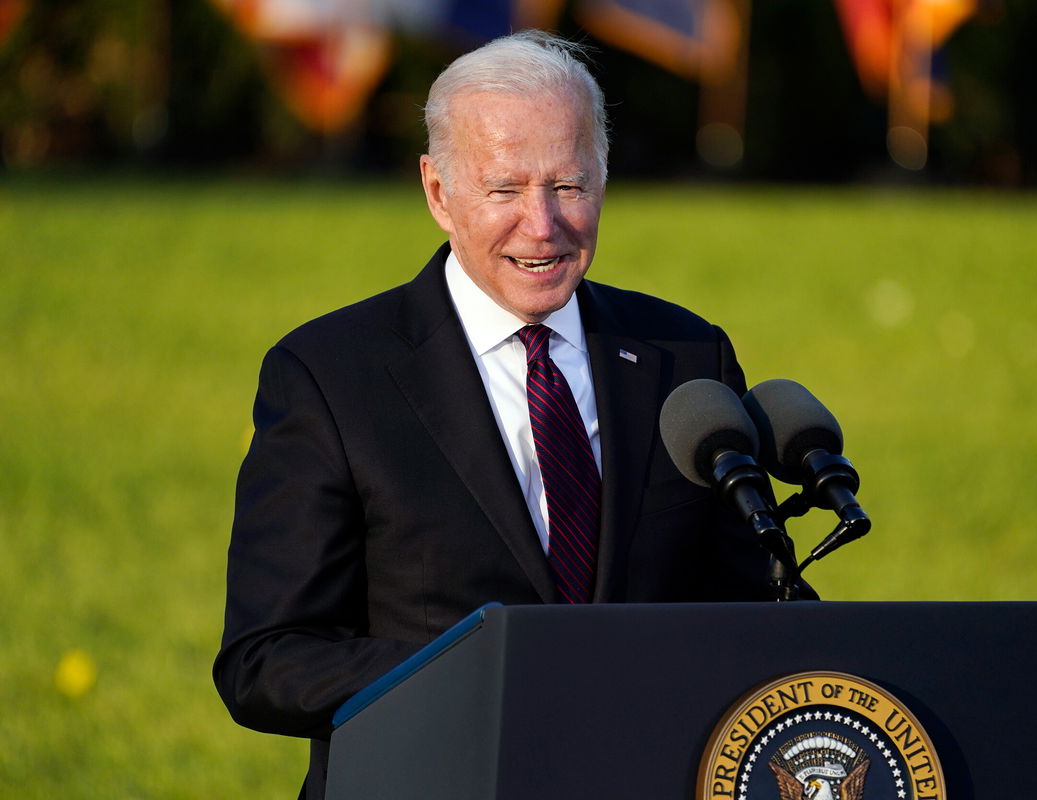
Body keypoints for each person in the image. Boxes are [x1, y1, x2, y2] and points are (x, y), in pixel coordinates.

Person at [214, 30, 815, 800]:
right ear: (438, 192)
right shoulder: (331, 377)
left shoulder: (685, 358)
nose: (543, 225)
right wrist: (492, 672)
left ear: (603, 177)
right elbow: (267, 660)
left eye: (569, 185)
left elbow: (754, 611)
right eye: (504, 190)